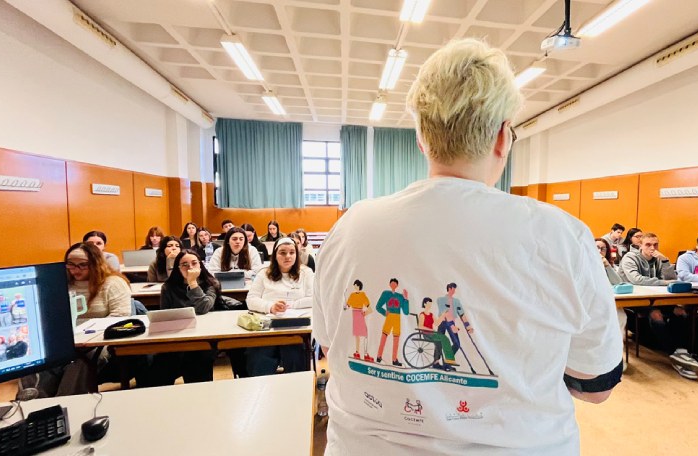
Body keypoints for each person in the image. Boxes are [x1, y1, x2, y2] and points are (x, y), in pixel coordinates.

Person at [312, 38, 622, 454]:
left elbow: (332, 348)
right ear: (502, 139)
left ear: (422, 139)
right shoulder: (561, 235)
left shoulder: (349, 228)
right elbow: (596, 384)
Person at [619, 233, 698, 380]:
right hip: (634, 299)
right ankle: (675, 355)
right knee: (656, 315)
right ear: (640, 245)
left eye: (655, 245)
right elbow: (637, 280)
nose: (652, 248)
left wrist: (665, 261)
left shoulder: (659, 259)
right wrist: (663, 282)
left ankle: (681, 351)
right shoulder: (630, 258)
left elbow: (672, 278)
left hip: (657, 297)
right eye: (648, 244)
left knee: (681, 312)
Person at [245, 237, 313, 376]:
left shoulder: (306, 273)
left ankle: (296, 388)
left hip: (296, 327)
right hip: (267, 326)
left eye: (292, 252)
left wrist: (291, 305)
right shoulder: (264, 273)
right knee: (259, 358)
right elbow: (251, 299)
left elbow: (314, 298)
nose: (288, 256)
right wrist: (270, 306)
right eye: (282, 252)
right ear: (275, 255)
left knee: (295, 355)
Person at [150, 250, 219, 385]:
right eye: (184, 265)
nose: (190, 268)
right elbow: (164, 314)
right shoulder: (168, 287)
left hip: (203, 337)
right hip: (176, 336)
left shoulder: (211, 284)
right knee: (159, 366)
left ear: (200, 265)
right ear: (178, 268)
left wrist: (192, 283)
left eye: (194, 263)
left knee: (197, 359)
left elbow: (203, 307)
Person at [65, 243, 132, 324]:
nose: (76, 270)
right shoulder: (63, 284)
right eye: (71, 264)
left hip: (102, 333)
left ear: (96, 264)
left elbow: (121, 315)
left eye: (83, 265)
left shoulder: (113, 283)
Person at [343, 279, 373, 362]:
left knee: (359, 335)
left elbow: (346, 307)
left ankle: (358, 353)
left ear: (358, 286)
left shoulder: (357, 295)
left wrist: (365, 313)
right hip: (358, 314)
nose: (354, 286)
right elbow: (370, 309)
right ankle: (364, 354)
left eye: (355, 285)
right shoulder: (357, 295)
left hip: (356, 315)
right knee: (363, 335)